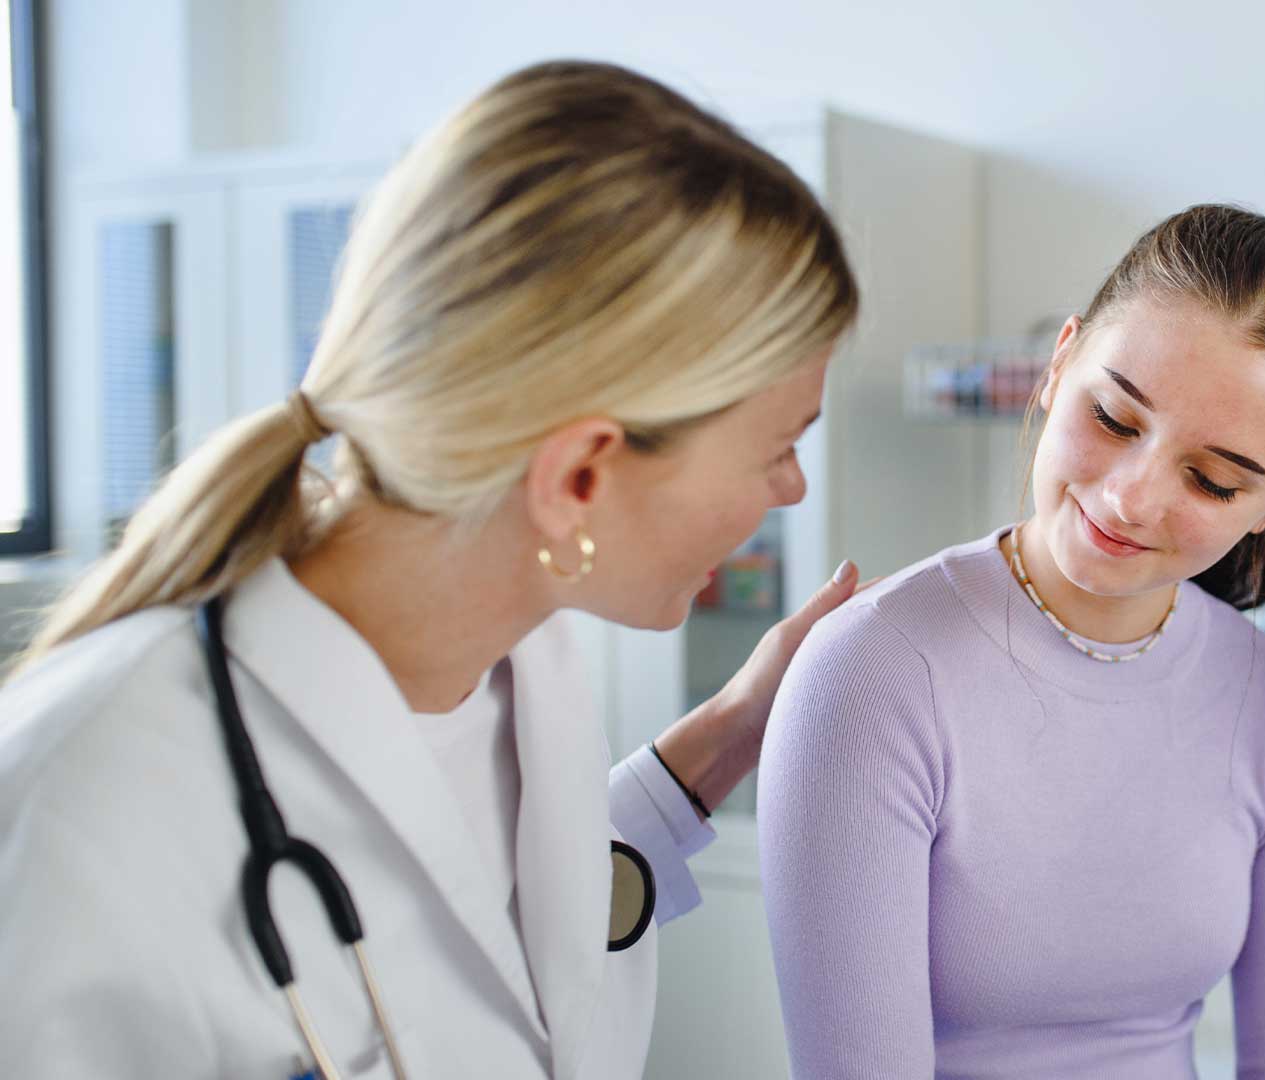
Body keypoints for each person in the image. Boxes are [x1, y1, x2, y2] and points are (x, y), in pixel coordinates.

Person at [0, 60, 862, 1079]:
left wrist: (731, 732)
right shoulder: (76, 813)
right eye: (778, 447)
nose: (793, 490)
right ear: (580, 475)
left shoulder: (522, 660)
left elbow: (505, 923)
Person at [759, 204, 1265, 1080]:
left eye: (1211, 480)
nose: (1130, 499)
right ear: (1060, 361)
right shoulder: (873, 674)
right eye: (1114, 419)